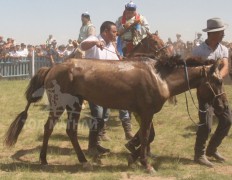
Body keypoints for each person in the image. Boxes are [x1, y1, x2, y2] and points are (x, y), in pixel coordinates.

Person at [192, 17, 232, 167]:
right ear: (212, 33)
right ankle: (199, 154)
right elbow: (193, 71)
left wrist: (217, 78)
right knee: (206, 124)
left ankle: (212, 149)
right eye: (221, 32)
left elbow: (226, 67)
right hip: (205, 93)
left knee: (227, 120)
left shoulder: (224, 49)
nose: (223, 34)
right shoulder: (198, 50)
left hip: (219, 91)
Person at [80, 21, 119, 155]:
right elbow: (83, 46)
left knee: (105, 115)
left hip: (107, 87)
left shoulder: (112, 46)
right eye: (114, 31)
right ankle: (91, 147)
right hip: (94, 86)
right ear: (105, 32)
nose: (116, 34)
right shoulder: (95, 39)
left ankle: (96, 144)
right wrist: (95, 43)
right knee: (98, 114)